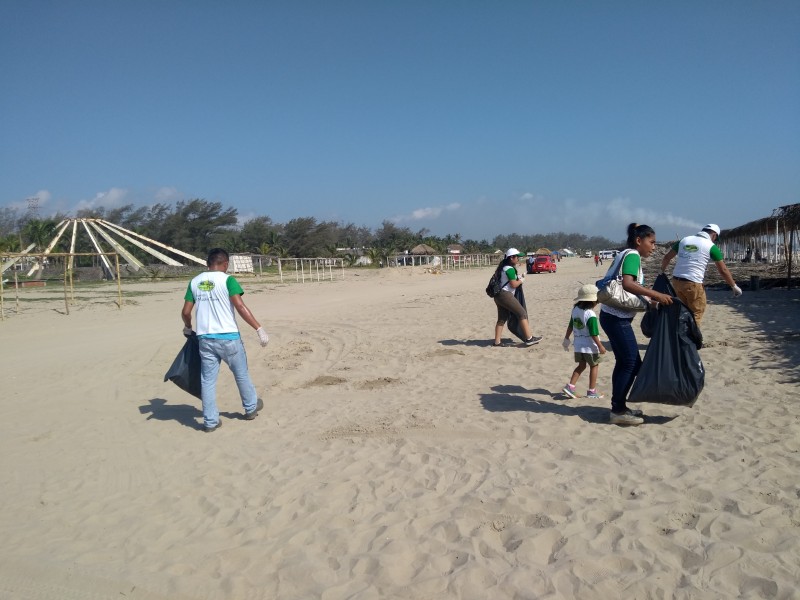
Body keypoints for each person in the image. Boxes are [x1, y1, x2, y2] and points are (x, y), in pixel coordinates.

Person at [181, 248, 270, 432]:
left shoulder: (195, 282)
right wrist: (258, 328)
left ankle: (210, 421)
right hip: (229, 337)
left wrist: (188, 328)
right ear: (226, 264)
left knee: (207, 380)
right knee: (241, 373)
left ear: (208, 264)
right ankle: (251, 407)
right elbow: (240, 305)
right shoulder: (228, 280)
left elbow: (186, 312)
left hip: (205, 338)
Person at [599, 224, 674, 426]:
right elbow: (628, 284)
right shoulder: (632, 255)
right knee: (631, 363)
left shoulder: (626, 253)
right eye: (652, 242)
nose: (654, 247)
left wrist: (649, 299)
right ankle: (618, 410)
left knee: (626, 363)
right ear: (639, 240)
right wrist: (656, 294)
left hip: (611, 317)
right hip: (617, 319)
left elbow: (631, 288)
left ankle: (619, 406)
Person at [660, 223, 742, 327]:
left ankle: (678, 338)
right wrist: (733, 286)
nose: (714, 241)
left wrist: (661, 271)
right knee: (696, 313)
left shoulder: (684, 240)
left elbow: (667, 257)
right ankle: (691, 341)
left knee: (682, 311)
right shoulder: (711, 246)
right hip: (693, 283)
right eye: (715, 239)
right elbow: (723, 270)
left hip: (676, 281)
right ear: (714, 235)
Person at [561, 284, 607, 400]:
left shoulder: (575, 310)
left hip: (578, 345)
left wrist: (566, 338)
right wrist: (600, 346)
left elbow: (571, 325)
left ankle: (570, 386)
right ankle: (592, 391)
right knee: (594, 365)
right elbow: (593, 333)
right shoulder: (590, 315)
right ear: (593, 301)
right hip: (590, 346)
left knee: (581, 366)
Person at [492, 248, 542, 347]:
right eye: (517, 257)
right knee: (522, 313)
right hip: (505, 295)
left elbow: (506, 280)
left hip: (498, 296)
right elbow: (514, 284)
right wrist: (522, 280)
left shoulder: (503, 267)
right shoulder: (510, 269)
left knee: (502, 319)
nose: (518, 259)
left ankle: (497, 342)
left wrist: (518, 277)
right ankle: (529, 338)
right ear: (511, 258)